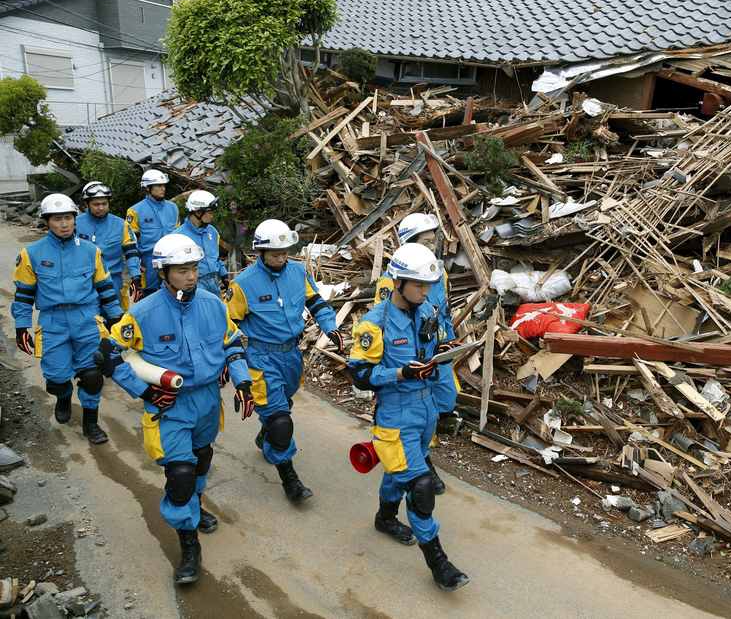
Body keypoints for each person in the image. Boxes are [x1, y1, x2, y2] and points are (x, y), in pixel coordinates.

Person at [93, 234, 252, 585]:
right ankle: (189, 545)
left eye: (194, 267)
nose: (191, 276)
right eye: (182, 270)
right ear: (163, 273)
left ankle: (194, 507)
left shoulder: (213, 304)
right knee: (180, 474)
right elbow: (107, 355)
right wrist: (145, 391)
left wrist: (242, 382)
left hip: (208, 399)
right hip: (170, 405)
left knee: (202, 458)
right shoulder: (143, 312)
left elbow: (231, 345)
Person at [350, 242, 469, 592]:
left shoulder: (426, 310)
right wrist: (400, 374)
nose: (426, 291)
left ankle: (384, 519)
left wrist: (444, 350)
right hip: (396, 415)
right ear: (398, 282)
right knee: (419, 486)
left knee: (399, 471)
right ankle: (439, 563)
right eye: (419, 285)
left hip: (427, 409)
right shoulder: (375, 323)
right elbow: (360, 376)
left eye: (429, 284)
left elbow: (434, 347)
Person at [226, 219, 342, 502]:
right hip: (261, 357)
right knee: (281, 421)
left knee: (283, 404)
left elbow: (315, 301)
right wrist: (227, 364)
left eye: (285, 252)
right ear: (259, 252)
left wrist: (331, 327)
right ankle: (290, 480)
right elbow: (226, 326)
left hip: (291, 355)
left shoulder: (297, 271)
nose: (281, 258)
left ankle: (265, 434)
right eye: (275, 254)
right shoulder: (242, 284)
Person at [12, 193, 124, 444]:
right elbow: (23, 294)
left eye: (68, 218)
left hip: (86, 318)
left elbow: (105, 287)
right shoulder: (32, 253)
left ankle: (90, 423)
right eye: (57, 219)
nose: (64, 224)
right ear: (46, 222)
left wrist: (116, 317)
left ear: (75, 220)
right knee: (56, 379)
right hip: (53, 322)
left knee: (93, 375)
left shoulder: (90, 251)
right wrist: (21, 326)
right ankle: (63, 398)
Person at [373, 213, 459, 494]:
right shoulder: (392, 282)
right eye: (426, 241)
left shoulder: (437, 271)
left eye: (434, 241)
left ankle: (416, 453)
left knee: (445, 401)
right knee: (416, 410)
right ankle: (421, 460)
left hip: (436, 352)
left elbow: (442, 313)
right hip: (409, 358)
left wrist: (448, 342)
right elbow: (387, 324)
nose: (432, 246)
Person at [76, 181, 143, 309]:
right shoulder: (75, 225)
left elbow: (131, 251)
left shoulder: (120, 225)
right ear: (86, 204)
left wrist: (136, 277)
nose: (101, 208)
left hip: (113, 281)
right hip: (83, 283)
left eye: (104, 204)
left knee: (115, 322)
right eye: (96, 204)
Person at [126, 169, 178, 297]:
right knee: (148, 297)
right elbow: (131, 243)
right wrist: (136, 273)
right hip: (148, 263)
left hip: (171, 260)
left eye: (164, 185)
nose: (163, 189)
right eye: (158, 186)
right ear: (148, 188)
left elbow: (178, 235)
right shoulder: (135, 211)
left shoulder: (173, 208)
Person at [171, 191, 228, 296]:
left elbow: (217, 258)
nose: (212, 215)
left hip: (214, 282)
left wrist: (225, 278)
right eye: (210, 212)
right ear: (198, 212)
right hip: (194, 284)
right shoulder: (178, 237)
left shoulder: (213, 232)